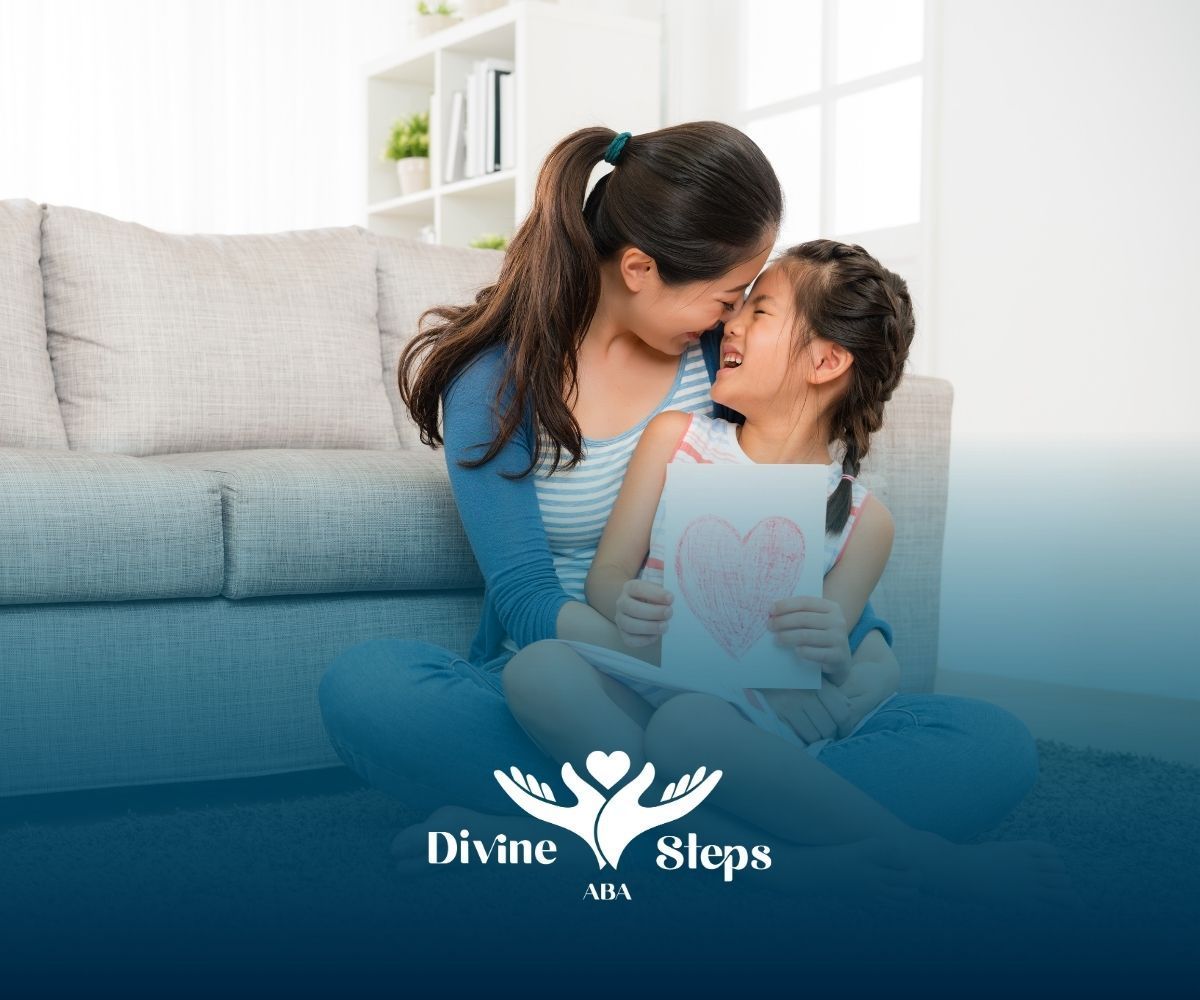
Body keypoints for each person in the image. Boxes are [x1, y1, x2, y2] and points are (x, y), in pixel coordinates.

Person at [318, 124, 1060, 902]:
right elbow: (527, 599)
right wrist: (668, 668)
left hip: (738, 707)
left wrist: (848, 672)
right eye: (727, 295)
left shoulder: (720, 370)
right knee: (368, 687)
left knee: (993, 743)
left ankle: (580, 843)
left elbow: (810, 551)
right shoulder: (495, 385)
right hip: (588, 688)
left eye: (749, 301)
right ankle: (784, 855)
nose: (731, 319)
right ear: (640, 268)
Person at [502, 240, 1077, 905]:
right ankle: (793, 861)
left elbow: (833, 664)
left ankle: (903, 856)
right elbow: (607, 575)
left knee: (687, 729)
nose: (731, 323)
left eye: (760, 311)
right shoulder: (675, 437)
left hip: (742, 721)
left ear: (826, 361)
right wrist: (625, 601)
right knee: (534, 671)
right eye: (738, 307)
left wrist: (831, 648)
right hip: (649, 672)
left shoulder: (864, 520)